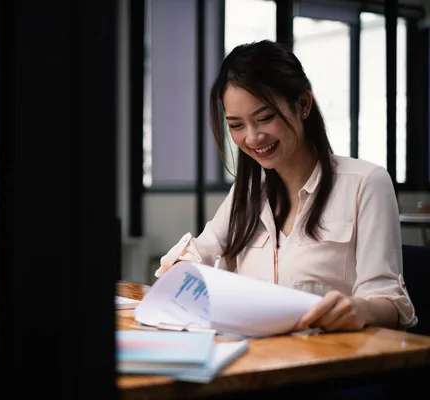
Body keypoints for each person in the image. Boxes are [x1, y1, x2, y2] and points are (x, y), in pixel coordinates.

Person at [154, 40, 416, 333]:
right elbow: (197, 256)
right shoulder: (249, 193)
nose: (253, 138)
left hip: (328, 363)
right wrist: (181, 272)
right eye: (236, 126)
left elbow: (390, 304)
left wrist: (362, 309)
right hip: (256, 362)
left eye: (265, 118)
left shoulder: (366, 184)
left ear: (302, 105)